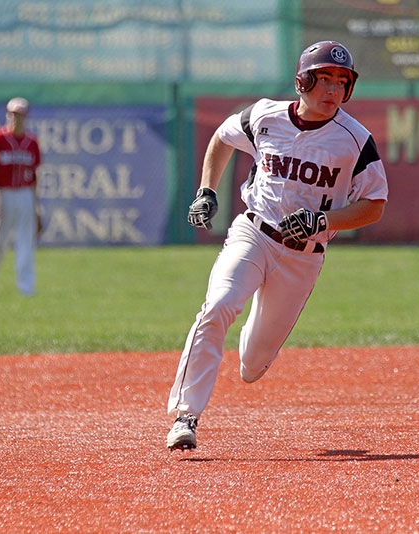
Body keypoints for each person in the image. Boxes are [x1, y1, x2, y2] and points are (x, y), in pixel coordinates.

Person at [166, 41, 389, 450]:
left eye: (342, 82)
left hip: (302, 258)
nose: (333, 90)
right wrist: (206, 189)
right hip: (253, 232)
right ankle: (186, 416)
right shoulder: (264, 115)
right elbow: (222, 137)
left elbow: (374, 205)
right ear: (302, 80)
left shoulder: (355, 140)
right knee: (217, 307)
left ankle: (253, 323)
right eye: (324, 79)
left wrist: (324, 220)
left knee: (252, 366)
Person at [0, 97, 42, 297]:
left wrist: (36, 205)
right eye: (13, 114)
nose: (16, 119)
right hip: (2, 192)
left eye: (20, 115)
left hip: (25, 193)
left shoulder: (32, 142)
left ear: (26, 117)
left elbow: (35, 176)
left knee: (26, 242)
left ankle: (26, 288)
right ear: (7, 115)